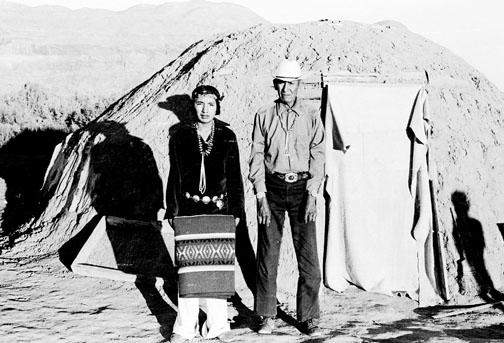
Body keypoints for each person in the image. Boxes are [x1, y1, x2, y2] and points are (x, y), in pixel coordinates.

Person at [248, 59, 325, 336]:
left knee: (309, 257)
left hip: (303, 189)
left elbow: (318, 154)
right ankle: (266, 315)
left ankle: (309, 317)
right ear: (275, 85)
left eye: (291, 83)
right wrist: (260, 196)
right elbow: (257, 155)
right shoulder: (264, 115)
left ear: (299, 85)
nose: (286, 88)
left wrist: (313, 194)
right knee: (268, 256)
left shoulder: (311, 115)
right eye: (281, 83)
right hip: (273, 188)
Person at [165, 85, 244, 343]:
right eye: (200, 103)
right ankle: (184, 328)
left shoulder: (227, 136)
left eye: (210, 104)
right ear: (193, 106)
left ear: (217, 106)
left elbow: (235, 177)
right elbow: (174, 175)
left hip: (218, 212)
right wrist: (172, 210)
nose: (205, 109)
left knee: (216, 269)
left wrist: (237, 210)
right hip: (189, 211)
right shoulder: (180, 136)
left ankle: (218, 326)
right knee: (188, 272)